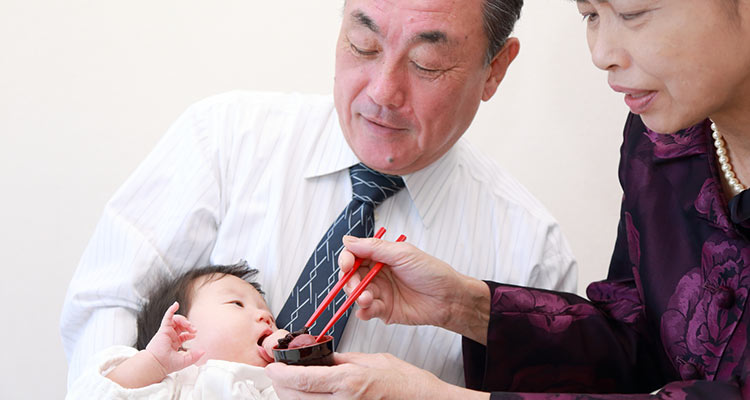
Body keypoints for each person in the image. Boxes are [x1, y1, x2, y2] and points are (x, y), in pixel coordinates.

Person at [60, 0, 577, 390]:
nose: (382, 91)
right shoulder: (223, 137)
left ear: (494, 69)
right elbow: (109, 300)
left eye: (427, 62)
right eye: (363, 45)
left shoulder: (531, 255)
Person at [265, 0, 750, 398]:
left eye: (632, 13)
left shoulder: (531, 239)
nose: (601, 53)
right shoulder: (661, 144)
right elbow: (639, 346)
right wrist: (463, 304)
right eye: (589, 15)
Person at [67, 262, 288, 399]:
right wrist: (153, 363)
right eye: (237, 304)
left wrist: (295, 356)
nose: (266, 317)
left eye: (267, 310)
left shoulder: (276, 387)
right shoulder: (172, 385)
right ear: (180, 336)